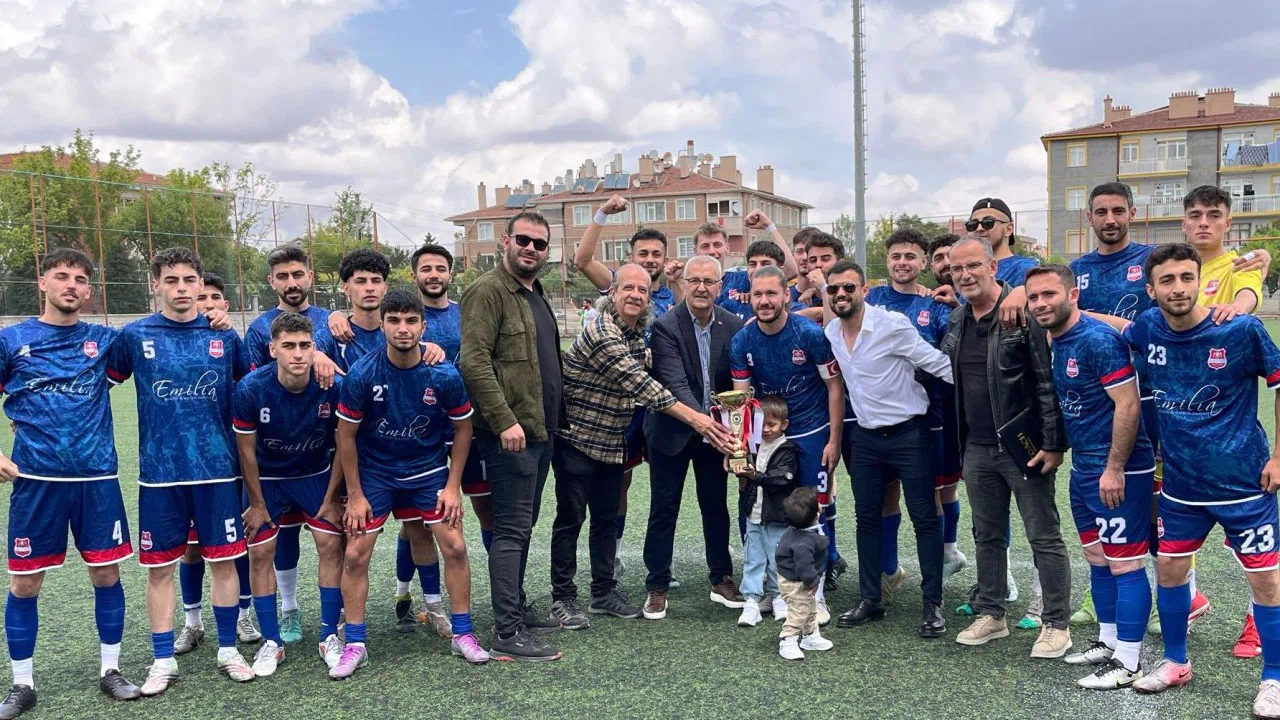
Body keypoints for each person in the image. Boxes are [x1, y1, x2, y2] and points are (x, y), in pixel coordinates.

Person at [1107, 243, 1280, 719]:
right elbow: (1120, 327)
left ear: (1199, 281)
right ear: (1151, 289)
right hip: (1181, 487)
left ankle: (1274, 678)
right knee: (1170, 570)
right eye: (1167, 280)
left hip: (1245, 484)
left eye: (1187, 277)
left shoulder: (1240, 329)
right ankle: (1176, 662)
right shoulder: (1148, 328)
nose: (1178, 288)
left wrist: (1279, 457)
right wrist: (1070, 312)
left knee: (1266, 580)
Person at [548, 264, 734, 629]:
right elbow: (644, 386)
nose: (635, 295)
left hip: (610, 443)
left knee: (605, 520)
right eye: (628, 288)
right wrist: (701, 421)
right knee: (570, 520)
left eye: (643, 290)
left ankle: (603, 592)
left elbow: (649, 363)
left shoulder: (633, 333)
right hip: (577, 440)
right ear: (613, 293)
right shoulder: (603, 331)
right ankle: (563, 597)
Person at [0, 249, 141, 719]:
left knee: (106, 574)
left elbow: (161, 334)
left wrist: (213, 316)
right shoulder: (11, 340)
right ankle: (22, 683)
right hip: (36, 480)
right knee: (25, 583)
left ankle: (111, 669)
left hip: (96, 478)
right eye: (62, 276)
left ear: (89, 291)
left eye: (80, 279)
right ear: (43, 282)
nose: (71, 285)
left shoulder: (105, 341)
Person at [107, 246, 253, 693]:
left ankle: (228, 650)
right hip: (159, 476)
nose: (182, 288)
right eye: (171, 280)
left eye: (190, 280)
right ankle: (162, 660)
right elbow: (96, 386)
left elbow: (254, 388)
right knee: (160, 569)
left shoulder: (224, 336)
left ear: (200, 285)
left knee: (224, 563)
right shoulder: (134, 336)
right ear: (155, 285)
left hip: (218, 472)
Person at [331, 289, 488, 678]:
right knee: (355, 554)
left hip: (427, 472)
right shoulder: (362, 374)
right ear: (383, 325)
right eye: (394, 320)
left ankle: (462, 634)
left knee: (455, 546)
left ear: (423, 325)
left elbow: (463, 429)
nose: (403, 328)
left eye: (411, 320)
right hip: (376, 474)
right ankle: (355, 644)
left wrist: (452, 487)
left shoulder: (443, 374)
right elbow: (345, 436)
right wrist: (355, 495)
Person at [939, 236, 1073, 659]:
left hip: (1022, 446)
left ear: (992, 267)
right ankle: (992, 614)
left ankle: (1057, 624)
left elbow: (1046, 380)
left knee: (1043, 536)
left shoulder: (1021, 313)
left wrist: (1053, 443)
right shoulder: (957, 319)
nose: (965, 275)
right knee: (987, 536)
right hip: (976, 448)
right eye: (957, 269)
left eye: (973, 265)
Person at [1024, 265, 1154, 690]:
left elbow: (1128, 405)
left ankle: (1129, 660)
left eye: (1049, 294)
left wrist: (1114, 468)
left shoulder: (1098, 341)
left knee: (1125, 562)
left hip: (1117, 468)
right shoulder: (1054, 339)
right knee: (1098, 558)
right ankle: (1109, 641)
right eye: (1033, 297)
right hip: (1083, 467)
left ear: (1072, 295)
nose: (1041, 303)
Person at [824, 259, 953, 639]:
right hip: (866, 438)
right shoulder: (831, 331)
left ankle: (932, 605)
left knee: (924, 519)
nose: (841, 294)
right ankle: (871, 599)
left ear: (864, 290)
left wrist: (985, 393)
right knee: (866, 520)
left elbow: (937, 364)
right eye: (834, 289)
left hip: (910, 434)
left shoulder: (892, 325)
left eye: (849, 287)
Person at [458, 211, 566, 662]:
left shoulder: (535, 292)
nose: (531, 249)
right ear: (506, 241)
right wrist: (504, 421)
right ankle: (507, 630)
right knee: (511, 529)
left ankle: (515, 607)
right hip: (511, 436)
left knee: (524, 526)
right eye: (523, 239)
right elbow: (473, 361)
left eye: (539, 244)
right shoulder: (487, 291)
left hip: (540, 432)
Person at [571, 195, 685, 583]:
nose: (650, 260)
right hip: (623, 404)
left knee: (665, 483)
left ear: (665, 257)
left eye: (656, 254)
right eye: (643, 253)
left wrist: (678, 283)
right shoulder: (622, 287)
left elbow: (686, 326)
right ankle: (614, 557)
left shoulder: (669, 291)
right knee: (617, 480)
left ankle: (660, 561)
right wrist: (602, 212)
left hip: (662, 401)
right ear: (630, 258)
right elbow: (582, 260)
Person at [232, 313, 346, 677]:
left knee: (331, 544)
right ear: (273, 349)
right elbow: (246, 452)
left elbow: (345, 445)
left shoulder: (332, 386)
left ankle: (329, 635)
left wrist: (332, 497)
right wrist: (256, 503)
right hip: (268, 479)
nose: (297, 354)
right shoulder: (251, 389)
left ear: (314, 349)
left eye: (304, 346)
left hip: (315, 475)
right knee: (260, 551)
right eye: (289, 346)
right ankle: (271, 641)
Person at [730, 265, 844, 627]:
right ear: (751, 298)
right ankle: (771, 587)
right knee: (760, 510)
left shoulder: (809, 334)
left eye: (771, 293)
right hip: (766, 436)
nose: (764, 301)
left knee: (811, 511)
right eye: (758, 294)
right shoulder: (742, 341)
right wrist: (739, 448)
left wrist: (834, 440)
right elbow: (741, 402)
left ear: (786, 296)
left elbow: (834, 387)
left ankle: (816, 595)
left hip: (810, 431)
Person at [243, 244, 340, 644]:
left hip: (320, 454)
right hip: (274, 454)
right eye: (283, 276)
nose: (292, 282)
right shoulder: (258, 329)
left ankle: (335, 622)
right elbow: (259, 382)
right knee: (279, 538)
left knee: (332, 538)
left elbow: (348, 378)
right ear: (272, 282)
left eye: (298, 274)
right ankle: (288, 609)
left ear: (310, 277)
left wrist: (327, 358)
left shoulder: (331, 322)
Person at [642, 255, 746, 620]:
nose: (701, 288)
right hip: (671, 432)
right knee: (664, 508)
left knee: (715, 507)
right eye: (694, 280)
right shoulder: (665, 326)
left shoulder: (733, 324)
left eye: (709, 281)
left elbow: (737, 382)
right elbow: (675, 383)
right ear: (684, 284)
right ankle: (657, 585)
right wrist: (706, 423)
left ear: (720, 286)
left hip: (715, 435)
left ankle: (721, 578)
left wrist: (731, 429)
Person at [864, 229, 967, 587]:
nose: (902, 262)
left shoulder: (934, 304)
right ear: (887, 261)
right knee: (886, 494)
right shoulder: (872, 299)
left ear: (923, 262)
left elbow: (949, 353)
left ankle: (939, 567)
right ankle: (889, 572)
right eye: (896, 256)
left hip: (928, 415)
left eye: (910, 256)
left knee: (932, 494)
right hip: (878, 416)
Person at [177, 273, 260, 655]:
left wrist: (231, 335)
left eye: (215, 298)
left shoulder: (229, 341)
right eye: (202, 298)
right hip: (184, 462)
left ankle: (243, 614)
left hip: (229, 459)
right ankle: (192, 622)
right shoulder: (175, 343)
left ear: (226, 305)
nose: (208, 305)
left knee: (237, 542)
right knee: (192, 548)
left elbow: (251, 380)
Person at [735, 396, 799, 627]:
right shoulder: (751, 446)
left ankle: (780, 598)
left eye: (771, 424)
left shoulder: (787, 449)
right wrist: (737, 466)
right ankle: (751, 601)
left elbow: (783, 478)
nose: (765, 429)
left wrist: (755, 476)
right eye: (761, 424)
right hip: (753, 515)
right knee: (753, 559)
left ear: (784, 424)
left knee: (777, 559)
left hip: (777, 517)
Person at [703, 210, 800, 320]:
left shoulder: (739, 278)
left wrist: (769, 226)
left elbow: (790, 271)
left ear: (727, 247)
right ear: (695, 249)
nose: (711, 251)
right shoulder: (693, 285)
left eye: (717, 245)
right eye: (705, 246)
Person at [776, 487, 832, 660]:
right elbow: (804, 568)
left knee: (810, 608)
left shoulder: (800, 531)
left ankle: (810, 636)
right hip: (796, 583)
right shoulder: (803, 544)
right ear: (816, 513)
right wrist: (813, 582)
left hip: (795, 579)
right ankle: (787, 640)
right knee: (799, 611)